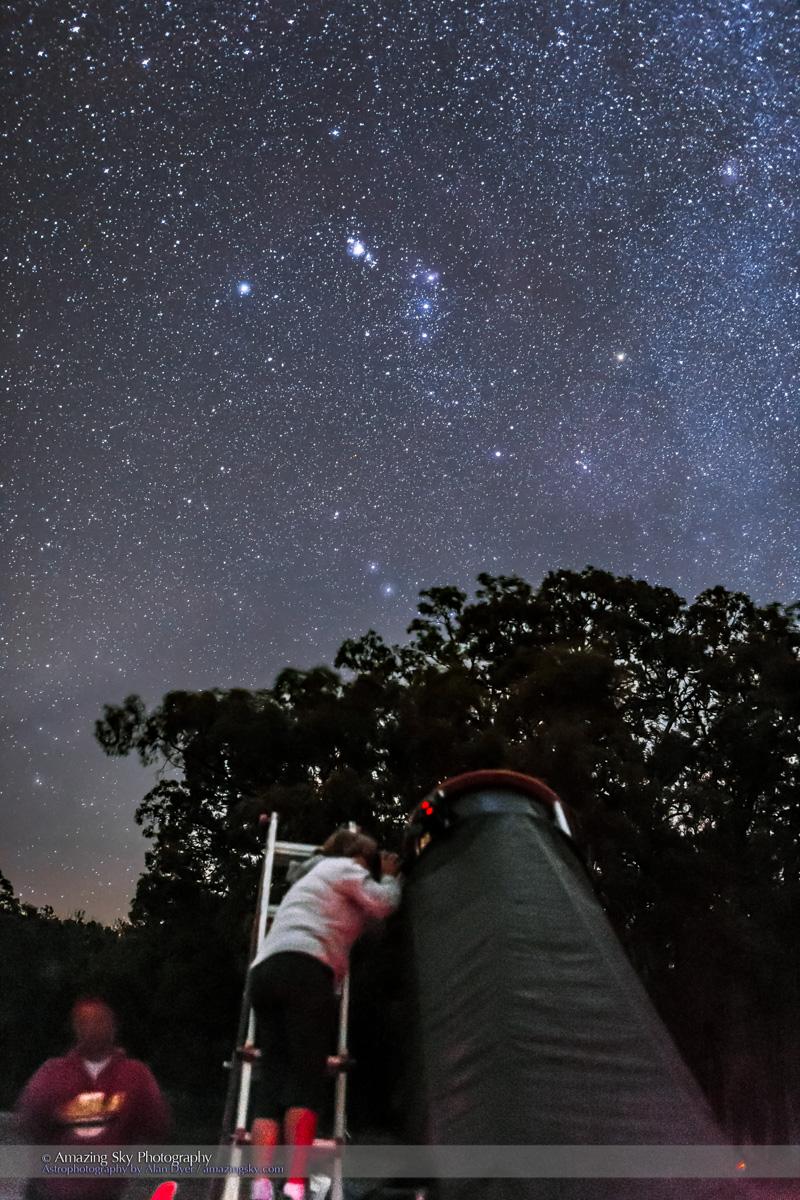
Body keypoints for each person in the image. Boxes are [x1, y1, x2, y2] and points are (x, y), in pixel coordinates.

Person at [247, 829, 403, 1200]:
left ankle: (261, 1186)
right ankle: (297, 1186)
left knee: (271, 1081)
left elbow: (365, 922)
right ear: (358, 856)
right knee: (305, 1080)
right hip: (305, 970)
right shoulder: (345, 867)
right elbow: (382, 904)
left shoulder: (312, 878)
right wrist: (392, 876)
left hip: (265, 973)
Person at [16, 997, 171, 1200]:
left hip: (104, 1193)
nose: (92, 1028)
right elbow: (28, 1121)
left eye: (99, 1021)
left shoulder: (134, 1076)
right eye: (84, 1022)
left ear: (113, 1026)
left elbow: (156, 1126)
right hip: (51, 1192)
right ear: (75, 1028)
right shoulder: (52, 1073)